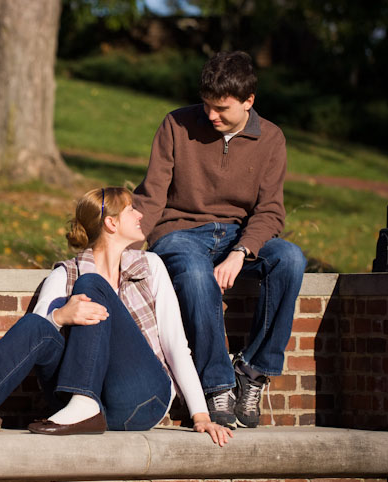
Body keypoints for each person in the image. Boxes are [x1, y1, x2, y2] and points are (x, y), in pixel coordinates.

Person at [0, 187, 232, 446]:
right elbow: (35, 341)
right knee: (43, 320)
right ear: (112, 223)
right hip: (69, 408)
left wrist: (201, 415)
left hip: (140, 398)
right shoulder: (65, 274)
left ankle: (86, 404)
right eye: (132, 209)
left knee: (91, 284)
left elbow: (176, 345)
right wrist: (61, 316)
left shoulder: (150, 266)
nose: (140, 214)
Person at [132, 51, 307, 429]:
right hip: (178, 232)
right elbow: (151, 195)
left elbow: (271, 211)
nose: (211, 115)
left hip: (236, 237)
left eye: (222, 108)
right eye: (207, 104)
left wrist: (242, 251)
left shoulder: (271, 138)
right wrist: (121, 249)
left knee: (290, 258)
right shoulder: (177, 124)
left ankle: (253, 371)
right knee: (195, 274)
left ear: (249, 102)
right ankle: (216, 385)